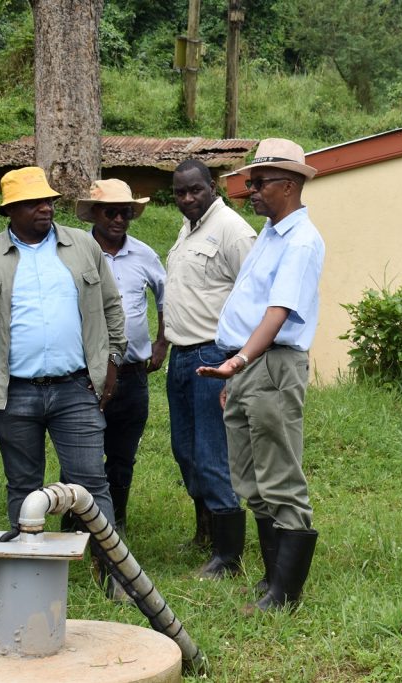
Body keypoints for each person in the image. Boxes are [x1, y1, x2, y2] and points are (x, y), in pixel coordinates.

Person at [0, 166, 125, 533]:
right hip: (13, 394)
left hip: (76, 389)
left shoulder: (82, 246)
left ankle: (114, 573)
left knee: (91, 483)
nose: (45, 207)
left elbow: (111, 307)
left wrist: (113, 359)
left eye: (47, 200)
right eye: (32, 202)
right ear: (9, 211)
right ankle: (26, 577)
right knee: (22, 485)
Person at [197, 138, 325, 612]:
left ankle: (284, 595)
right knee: (249, 478)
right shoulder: (270, 235)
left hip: (269, 364)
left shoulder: (302, 240)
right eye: (250, 182)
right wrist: (236, 375)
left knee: (279, 477)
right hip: (248, 367)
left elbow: (278, 311)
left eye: (259, 182)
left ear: (288, 185)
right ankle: (273, 580)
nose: (249, 190)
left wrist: (240, 361)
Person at [165, 159, 256, 578]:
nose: (187, 199)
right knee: (184, 450)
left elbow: (257, 294)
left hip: (212, 356)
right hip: (181, 355)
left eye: (194, 190)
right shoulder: (189, 230)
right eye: (180, 192)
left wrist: (238, 361)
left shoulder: (232, 230)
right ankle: (206, 530)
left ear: (213, 186)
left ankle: (228, 555)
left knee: (211, 454)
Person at [75, 179, 166, 536]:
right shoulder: (76, 251)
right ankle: (77, 523)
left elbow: (166, 296)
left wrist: (163, 342)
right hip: (84, 373)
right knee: (81, 454)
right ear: (95, 214)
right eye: (110, 212)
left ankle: (116, 525)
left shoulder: (144, 254)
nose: (118, 219)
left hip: (131, 373)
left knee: (122, 455)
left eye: (125, 212)